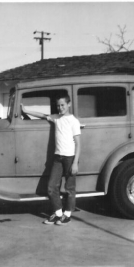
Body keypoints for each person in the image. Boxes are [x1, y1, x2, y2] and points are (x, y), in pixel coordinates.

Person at [20, 95, 81, 226]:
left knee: (70, 188)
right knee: (52, 187)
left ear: (69, 105)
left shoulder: (73, 121)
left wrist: (75, 163)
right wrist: (25, 111)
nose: (60, 108)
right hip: (58, 157)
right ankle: (58, 213)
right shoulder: (56, 118)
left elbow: (78, 144)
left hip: (70, 158)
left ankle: (67, 215)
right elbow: (42, 115)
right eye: (58, 105)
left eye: (63, 105)